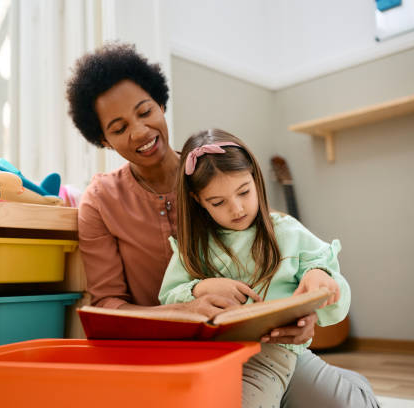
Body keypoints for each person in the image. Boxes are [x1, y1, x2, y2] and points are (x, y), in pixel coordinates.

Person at [66, 42, 379, 408]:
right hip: (167, 356)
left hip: (263, 349)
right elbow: (107, 308)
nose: (138, 132)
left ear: (161, 103)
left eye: (145, 111)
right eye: (119, 128)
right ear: (103, 139)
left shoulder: (216, 174)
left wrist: (307, 312)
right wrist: (189, 308)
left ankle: (347, 385)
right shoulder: (100, 200)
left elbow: (282, 253)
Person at [158, 128, 348, 407]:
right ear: (198, 201)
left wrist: (321, 276)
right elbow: (168, 300)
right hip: (209, 356)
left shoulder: (288, 232)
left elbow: (330, 285)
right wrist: (199, 288)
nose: (236, 209)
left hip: (272, 354)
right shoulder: (193, 247)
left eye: (244, 192)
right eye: (218, 202)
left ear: (256, 180)